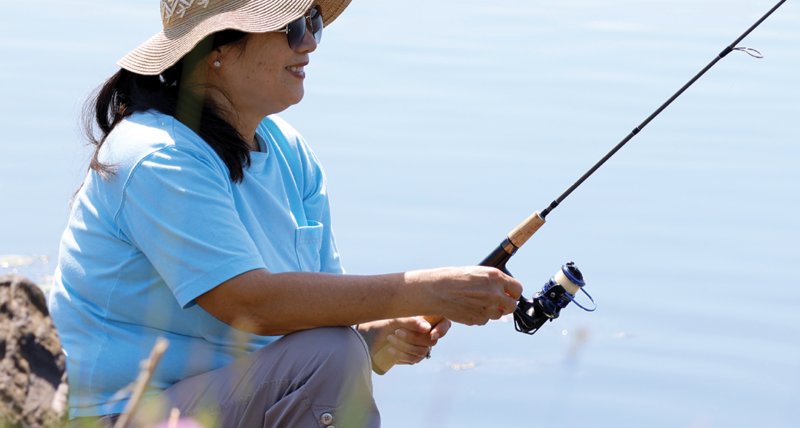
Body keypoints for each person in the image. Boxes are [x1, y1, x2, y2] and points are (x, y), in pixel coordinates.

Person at [48, 0, 523, 427]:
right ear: (215, 47)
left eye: (313, 20)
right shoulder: (156, 154)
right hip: (119, 415)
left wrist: (376, 337)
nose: (311, 41)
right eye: (292, 26)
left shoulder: (291, 152)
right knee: (332, 355)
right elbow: (249, 305)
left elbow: (317, 315)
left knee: (339, 349)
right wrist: (429, 289)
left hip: (216, 401)